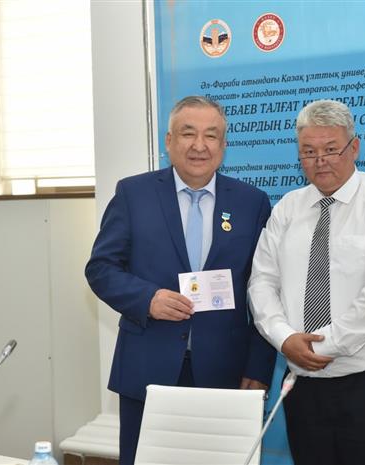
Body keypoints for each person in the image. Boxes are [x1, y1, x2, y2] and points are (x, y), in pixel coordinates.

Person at [85, 96, 276, 465]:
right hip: (148, 367)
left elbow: (264, 287)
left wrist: (258, 365)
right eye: (188, 134)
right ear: (169, 141)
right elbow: (101, 268)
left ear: (224, 145)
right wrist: (147, 299)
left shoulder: (251, 202)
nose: (199, 145)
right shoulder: (133, 194)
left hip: (226, 371)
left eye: (211, 135)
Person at [248, 99, 365, 465]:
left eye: (331, 149)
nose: (320, 160)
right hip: (304, 388)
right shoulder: (287, 208)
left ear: (354, 147)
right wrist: (284, 337)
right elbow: (262, 281)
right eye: (308, 152)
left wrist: (325, 344)